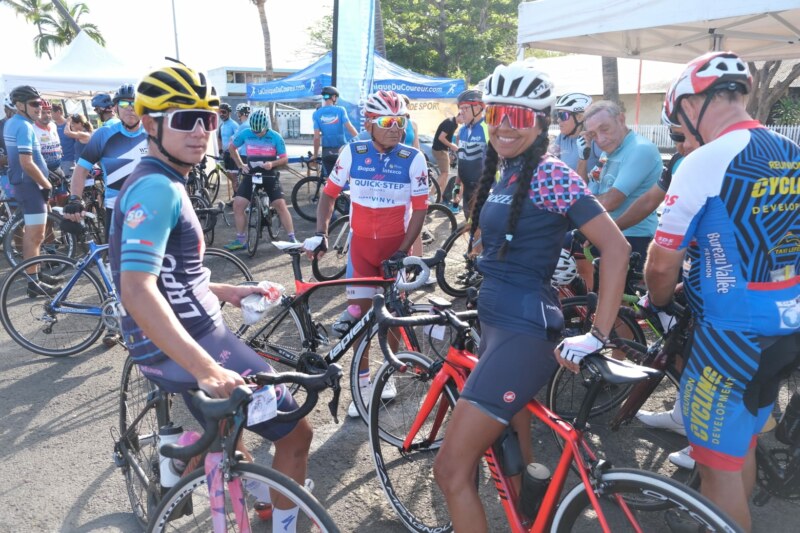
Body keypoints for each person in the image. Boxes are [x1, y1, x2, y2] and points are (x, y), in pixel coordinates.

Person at [109, 63, 313, 531]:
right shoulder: (159, 187)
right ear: (150, 123)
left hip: (177, 336)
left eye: (209, 118)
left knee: (233, 428)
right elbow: (137, 289)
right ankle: (199, 464)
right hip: (194, 340)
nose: (201, 131)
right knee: (298, 434)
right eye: (185, 119)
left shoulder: (160, 179)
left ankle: (211, 459)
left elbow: (172, 276)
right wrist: (207, 369)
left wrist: (230, 291)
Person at [431, 61, 630, 532]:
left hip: (524, 332)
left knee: (450, 470)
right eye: (497, 112)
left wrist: (599, 334)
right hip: (499, 323)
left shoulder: (551, 172)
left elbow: (616, 248)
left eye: (519, 117)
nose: (503, 125)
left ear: (541, 122)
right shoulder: (506, 170)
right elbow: (500, 238)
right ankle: (527, 517)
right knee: (509, 450)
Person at [647, 50, 800, 532]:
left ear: (693, 103)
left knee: (716, 469)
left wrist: (660, 300)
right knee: (742, 446)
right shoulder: (791, 151)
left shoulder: (704, 160)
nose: (682, 131)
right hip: (786, 323)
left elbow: (661, 262)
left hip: (729, 336)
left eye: (678, 120)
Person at [302, 90, 429, 418]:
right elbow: (328, 195)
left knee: (394, 316)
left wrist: (403, 252)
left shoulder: (412, 158)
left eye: (401, 121)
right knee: (358, 316)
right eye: (387, 121)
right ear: (369, 124)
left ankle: (390, 374)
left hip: (394, 250)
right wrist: (321, 232)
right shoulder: (352, 152)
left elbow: (419, 211)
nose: (395, 128)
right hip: (361, 250)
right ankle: (362, 379)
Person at [580, 100, 662, 285]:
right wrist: (582, 157)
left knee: (616, 305)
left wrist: (573, 204)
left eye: (605, 129)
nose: (600, 139)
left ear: (621, 119)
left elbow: (611, 200)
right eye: (593, 134)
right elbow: (587, 192)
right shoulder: (609, 151)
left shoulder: (640, 149)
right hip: (609, 231)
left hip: (634, 236)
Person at [66, 83, 146, 241]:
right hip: (117, 209)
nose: (130, 107)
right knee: (117, 262)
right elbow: (81, 169)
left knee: (156, 260)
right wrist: (75, 198)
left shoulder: (155, 133)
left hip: (150, 208)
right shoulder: (103, 135)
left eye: (135, 103)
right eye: (124, 103)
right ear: (115, 108)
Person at [3, 85, 60, 295]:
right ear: (19, 105)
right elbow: (26, 162)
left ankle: (34, 273)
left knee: (35, 234)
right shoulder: (24, 126)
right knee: (35, 235)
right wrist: (46, 184)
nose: (39, 107)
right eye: (34, 104)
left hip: (26, 185)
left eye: (41, 103)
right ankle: (33, 282)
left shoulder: (16, 122)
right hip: (29, 186)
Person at [225, 107, 296, 250]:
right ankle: (241, 240)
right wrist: (240, 164)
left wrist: (272, 164)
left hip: (269, 174)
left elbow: (284, 159)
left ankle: (292, 238)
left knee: (281, 205)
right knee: (238, 205)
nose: (257, 134)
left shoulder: (276, 137)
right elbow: (232, 148)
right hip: (251, 173)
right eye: (254, 132)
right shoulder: (246, 133)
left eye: (260, 132)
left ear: (266, 127)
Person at [454, 88, 489, 216]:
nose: (461, 112)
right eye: (460, 108)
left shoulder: (488, 128)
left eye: (466, 108)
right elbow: (461, 160)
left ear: (479, 108)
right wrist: (457, 187)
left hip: (484, 190)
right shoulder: (462, 131)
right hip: (467, 191)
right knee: (470, 228)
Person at [550, 92, 600, 181]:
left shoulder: (594, 140)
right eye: (558, 115)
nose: (558, 120)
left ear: (580, 117)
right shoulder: (561, 138)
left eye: (563, 116)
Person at [312, 86, 357, 177]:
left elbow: (316, 138)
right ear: (333, 97)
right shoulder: (340, 110)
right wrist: (360, 139)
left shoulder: (316, 114)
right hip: (341, 150)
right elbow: (350, 128)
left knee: (330, 179)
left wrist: (315, 154)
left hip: (327, 152)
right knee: (344, 177)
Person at [33, 100, 67, 203]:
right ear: (37, 112)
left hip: (57, 167)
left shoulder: (53, 125)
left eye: (49, 112)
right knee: (48, 201)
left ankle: (60, 218)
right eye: (43, 112)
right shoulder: (32, 128)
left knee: (64, 197)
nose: (47, 115)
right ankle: (51, 219)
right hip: (44, 170)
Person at [431, 114, 459, 205]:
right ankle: (430, 194)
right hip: (439, 150)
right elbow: (441, 137)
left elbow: (447, 139)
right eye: (464, 116)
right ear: (460, 115)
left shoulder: (454, 124)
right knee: (444, 173)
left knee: (446, 174)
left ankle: (441, 198)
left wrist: (450, 151)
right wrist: (452, 146)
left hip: (443, 150)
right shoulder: (450, 123)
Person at [216, 102, 239, 203]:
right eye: (220, 112)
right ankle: (236, 195)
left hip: (233, 154)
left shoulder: (234, 125)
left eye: (223, 112)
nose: (221, 114)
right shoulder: (221, 126)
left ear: (229, 113)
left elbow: (239, 138)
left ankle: (237, 198)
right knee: (230, 175)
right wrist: (220, 149)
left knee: (234, 177)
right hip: (225, 154)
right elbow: (219, 138)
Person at [51, 103, 77, 178]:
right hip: (55, 161)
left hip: (69, 160)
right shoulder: (52, 126)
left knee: (68, 184)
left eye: (51, 112)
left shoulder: (70, 125)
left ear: (58, 112)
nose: (50, 115)